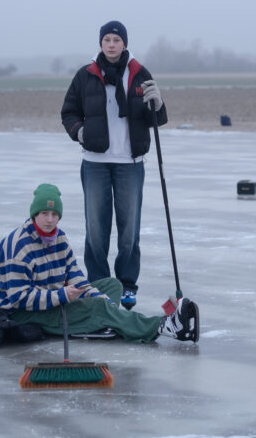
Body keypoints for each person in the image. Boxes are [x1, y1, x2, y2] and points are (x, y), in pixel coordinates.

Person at [0, 184, 199, 343]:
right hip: (23, 314)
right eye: (44, 213)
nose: (50, 219)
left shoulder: (59, 238)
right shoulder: (18, 246)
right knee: (97, 307)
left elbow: (75, 274)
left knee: (113, 286)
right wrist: (62, 296)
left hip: (53, 299)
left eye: (54, 214)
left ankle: (103, 320)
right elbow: (19, 298)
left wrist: (100, 297)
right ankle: (162, 327)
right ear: (35, 214)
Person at [60, 21, 167, 309]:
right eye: (106, 39)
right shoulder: (85, 75)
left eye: (116, 40)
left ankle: (127, 285)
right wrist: (80, 132)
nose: (111, 44)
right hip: (94, 162)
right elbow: (68, 111)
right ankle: (100, 285)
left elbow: (157, 118)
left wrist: (157, 103)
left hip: (130, 163)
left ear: (124, 43)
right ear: (100, 43)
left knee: (129, 229)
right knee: (96, 229)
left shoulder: (139, 73)